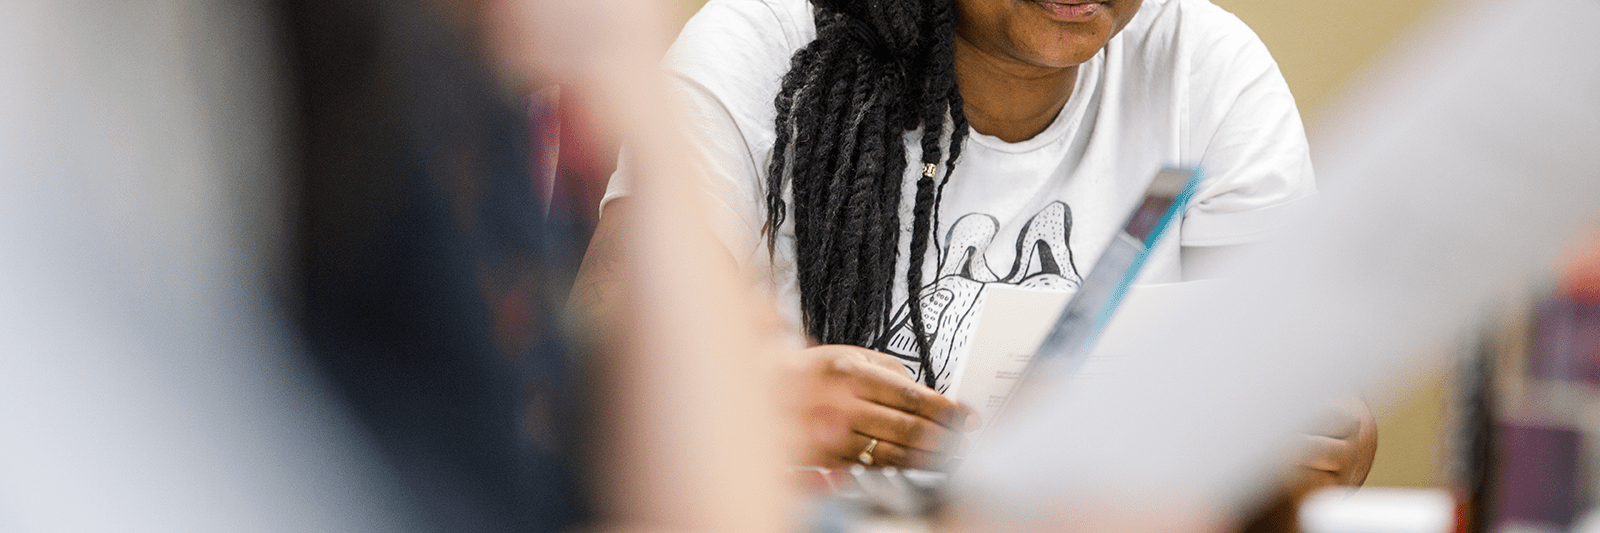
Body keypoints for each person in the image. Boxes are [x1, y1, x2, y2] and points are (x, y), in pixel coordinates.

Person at [580, 0, 1374, 490]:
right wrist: (738, 402)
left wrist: (1323, 438)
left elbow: (1316, 402)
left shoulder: (1208, 70)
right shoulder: (757, 44)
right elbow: (583, 365)